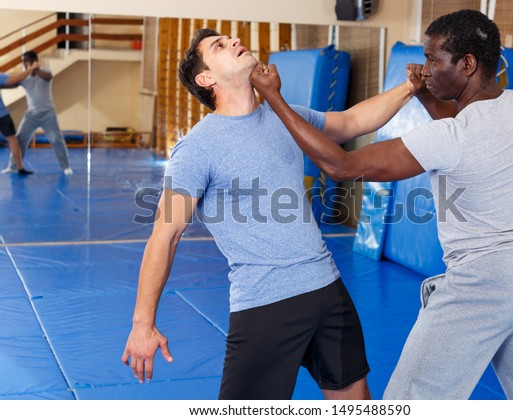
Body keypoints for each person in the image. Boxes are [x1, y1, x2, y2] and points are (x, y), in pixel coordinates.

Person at [250, 9, 513, 400]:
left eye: (435, 59)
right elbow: (469, 119)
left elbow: (341, 165)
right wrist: (424, 92)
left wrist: (274, 98)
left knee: (410, 401)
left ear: (467, 64)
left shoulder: (449, 137)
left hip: (484, 282)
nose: (427, 68)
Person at [121, 28, 416, 400]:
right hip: (266, 302)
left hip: (327, 288)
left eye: (229, 38)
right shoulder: (197, 149)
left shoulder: (284, 116)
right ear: (206, 78)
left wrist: (410, 87)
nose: (232, 42)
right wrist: (142, 323)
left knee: (354, 402)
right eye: (219, 46)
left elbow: (353, 121)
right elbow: (165, 236)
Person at [2, 51, 73, 175]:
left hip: (48, 114)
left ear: (34, 60)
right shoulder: (25, 77)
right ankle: (13, 166)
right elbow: (13, 83)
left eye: (26, 61)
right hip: (31, 115)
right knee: (20, 139)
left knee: (56, 139)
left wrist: (35, 69)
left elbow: (48, 77)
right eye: (23, 62)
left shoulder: (45, 71)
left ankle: (66, 166)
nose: (24, 64)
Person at [0, 62, 40, 176]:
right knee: (13, 140)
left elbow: (12, 84)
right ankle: (20, 168)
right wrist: (31, 69)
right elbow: (16, 79)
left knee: (13, 141)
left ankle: (19, 168)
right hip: (2, 115)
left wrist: (16, 84)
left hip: (2, 115)